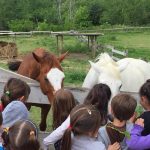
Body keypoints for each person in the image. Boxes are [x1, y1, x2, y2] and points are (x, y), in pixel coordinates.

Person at [43, 83, 111, 148]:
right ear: (107, 100)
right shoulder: (106, 119)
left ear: (90, 95)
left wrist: (46, 142)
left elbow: (61, 130)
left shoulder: (80, 111)